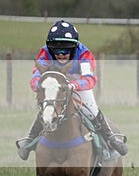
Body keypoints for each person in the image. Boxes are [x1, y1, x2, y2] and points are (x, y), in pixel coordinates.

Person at [16, 20, 129, 160]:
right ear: (50, 48)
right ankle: (29, 141)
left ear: (74, 47)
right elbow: (36, 76)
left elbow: (90, 79)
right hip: (55, 87)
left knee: (91, 109)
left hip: (78, 85)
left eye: (66, 50)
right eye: (57, 50)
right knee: (47, 109)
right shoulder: (44, 52)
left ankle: (111, 139)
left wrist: (73, 85)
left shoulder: (84, 53)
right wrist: (40, 86)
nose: (61, 54)